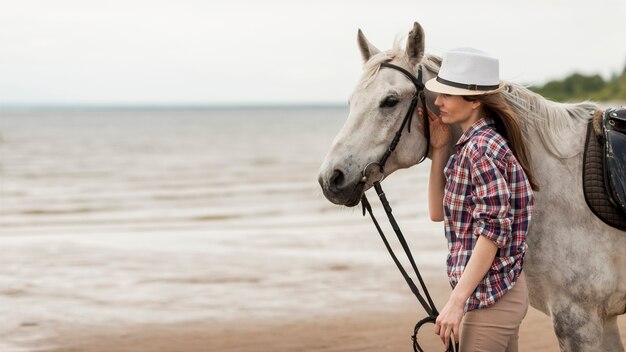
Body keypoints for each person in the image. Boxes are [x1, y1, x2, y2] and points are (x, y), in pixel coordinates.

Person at [421, 48, 538, 352]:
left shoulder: (481, 149)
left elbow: (493, 231)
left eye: (448, 94)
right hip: (490, 294)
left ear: (474, 101)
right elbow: (437, 213)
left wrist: (455, 303)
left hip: (493, 299)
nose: (438, 102)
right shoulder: (472, 146)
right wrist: (439, 149)